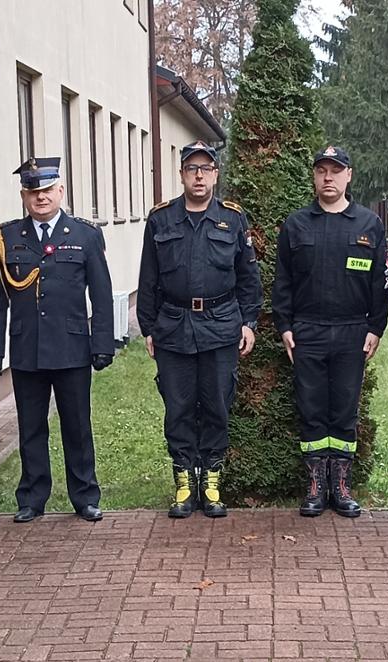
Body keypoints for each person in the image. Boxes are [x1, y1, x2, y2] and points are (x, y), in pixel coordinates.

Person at [0, 157, 114, 522]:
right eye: (32, 192)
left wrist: (102, 343)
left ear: (61, 191)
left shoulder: (85, 236)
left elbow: (101, 295)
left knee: (77, 425)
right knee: (31, 427)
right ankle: (31, 497)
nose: (40, 198)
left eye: (46, 191)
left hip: (72, 348)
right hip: (27, 349)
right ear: (24, 196)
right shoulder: (7, 237)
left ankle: (85, 496)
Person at [137, 142, 261, 519]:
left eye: (206, 168)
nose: (199, 175)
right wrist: (148, 327)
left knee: (216, 407)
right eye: (192, 168)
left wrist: (249, 322)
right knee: (177, 408)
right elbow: (148, 278)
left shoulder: (233, 219)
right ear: (181, 174)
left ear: (216, 174)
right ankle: (183, 482)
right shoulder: (160, 220)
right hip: (173, 327)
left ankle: (211, 481)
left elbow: (248, 278)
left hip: (221, 326)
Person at [271, 146, 388, 518]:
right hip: (307, 331)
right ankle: (315, 487)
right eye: (321, 171)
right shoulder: (296, 225)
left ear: (348, 176)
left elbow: (380, 283)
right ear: (314, 177)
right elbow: (283, 282)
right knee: (311, 410)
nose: (328, 177)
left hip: (353, 331)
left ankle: (340, 486)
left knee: (343, 411)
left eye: (335, 171)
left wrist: (376, 328)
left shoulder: (368, 224)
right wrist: (285, 326)